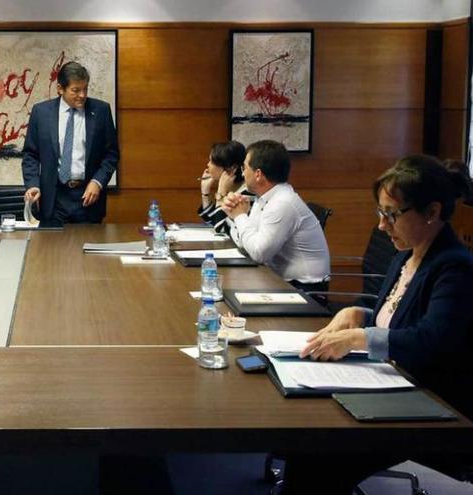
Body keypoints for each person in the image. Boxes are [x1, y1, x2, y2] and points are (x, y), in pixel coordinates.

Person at [278, 156, 473, 494]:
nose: (382, 226)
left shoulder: (455, 268)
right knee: (308, 438)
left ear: (432, 212)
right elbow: (400, 318)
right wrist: (360, 314)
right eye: (380, 213)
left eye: (391, 214)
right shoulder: (404, 256)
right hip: (391, 384)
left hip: (430, 402)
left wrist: (360, 337)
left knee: (317, 458)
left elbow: (431, 340)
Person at [222, 140, 330, 290]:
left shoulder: (283, 203)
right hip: (279, 280)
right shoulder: (265, 198)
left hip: (304, 290)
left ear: (258, 174)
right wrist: (234, 214)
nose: (242, 172)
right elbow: (246, 244)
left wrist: (240, 216)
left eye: (244, 168)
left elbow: (259, 253)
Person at [21, 61, 119, 224]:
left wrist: (98, 182)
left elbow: (111, 154)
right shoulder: (41, 112)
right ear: (60, 89)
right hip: (53, 198)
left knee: (85, 247)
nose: (82, 95)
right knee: (51, 249)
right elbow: (31, 154)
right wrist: (32, 184)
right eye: (76, 90)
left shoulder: (101, 111)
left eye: (85, 89)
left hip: (88, 198)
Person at [198, 140, 252, 233]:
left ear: (231, 168)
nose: (208, 165)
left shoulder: (246, 194)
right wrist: (205, 192)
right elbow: (212, 220)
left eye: (212, 162)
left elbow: (220, 228)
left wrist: (221, 193)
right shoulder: (231, 187)